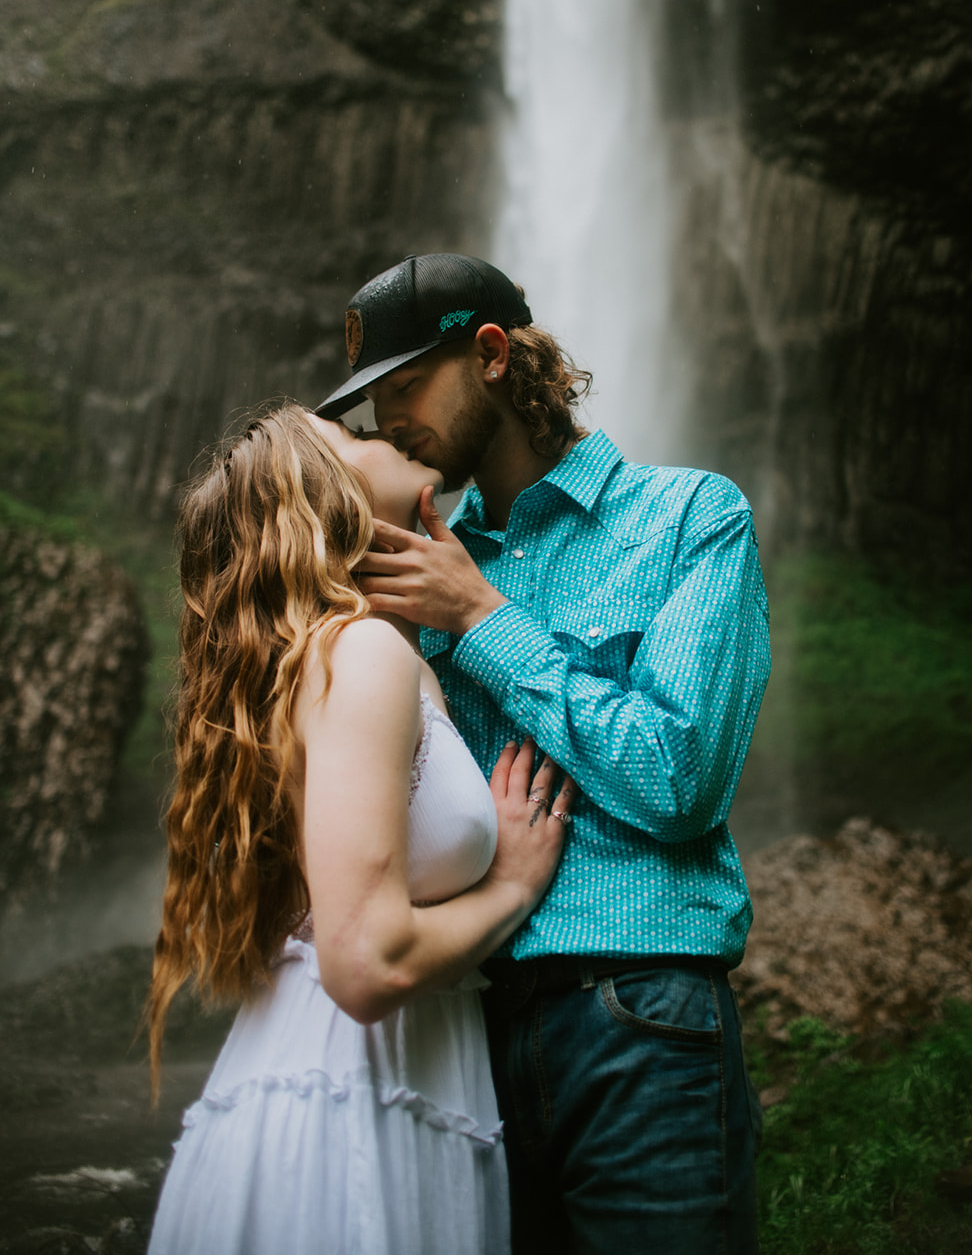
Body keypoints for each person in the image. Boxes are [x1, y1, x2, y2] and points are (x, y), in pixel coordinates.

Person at [314, 252, 772, 1255]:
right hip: (454, 1036)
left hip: (638, 1009)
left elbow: (680, 779)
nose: (386, 419)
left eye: (403, 386)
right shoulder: (410, 550)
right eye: (371, 400)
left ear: (488, 354)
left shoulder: (691, 517)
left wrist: (480, 616)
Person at [146, 401, 573, 1255]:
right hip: (345, 1100)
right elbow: (365, 962)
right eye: (350, 437)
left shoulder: (353, 656)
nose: (381, 427)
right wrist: (513, 888)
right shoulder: (363, 655)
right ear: (323, 499)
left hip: (356, 1080)